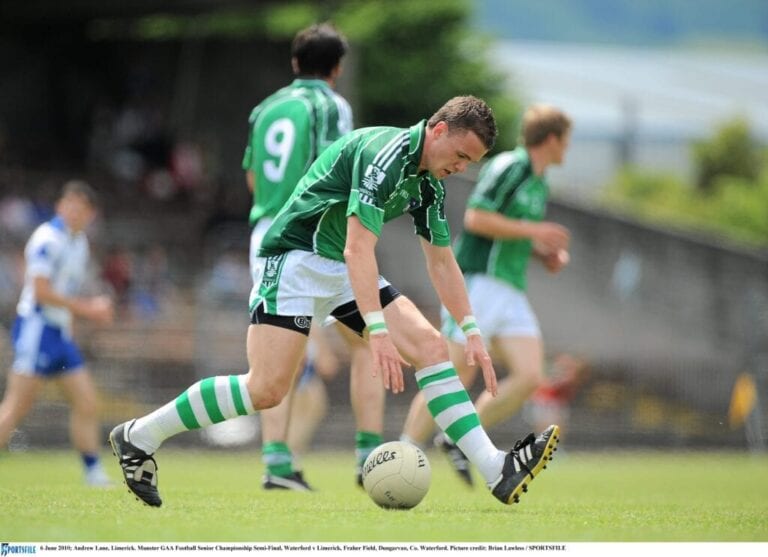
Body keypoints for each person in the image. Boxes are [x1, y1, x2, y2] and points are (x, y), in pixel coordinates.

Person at [109, 95, 560, 508]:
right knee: (265, 389)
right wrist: (378, 333)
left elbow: (442, 263)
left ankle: (496, 469)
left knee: (431, 347)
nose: (461, 167)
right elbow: (358, 248)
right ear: (438, 131)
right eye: (461, 155)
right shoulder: (384, 154)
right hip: (296, 261)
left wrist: (472, 331)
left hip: (341, 268)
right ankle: (138, 435)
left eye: (471, 162)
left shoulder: (429, 186)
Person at [241, 22, 383, 490]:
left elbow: (252, 179)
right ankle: (368, 456)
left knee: (279, 355)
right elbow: (334, 169)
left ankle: (277, 462)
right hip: (310, 235)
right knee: (370, 340)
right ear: (338, 69)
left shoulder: (266, 108)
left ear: (295, 62)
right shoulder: (330, 105)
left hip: (265, 233)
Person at [400, 104, 572, 486]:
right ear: (552, 139)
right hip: (480, 280)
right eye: (567, 141)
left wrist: (543, 252)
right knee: (453, 371)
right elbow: (477, 218)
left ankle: (458, 437)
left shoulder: (540, 181)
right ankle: (403, 453)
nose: (568, 149)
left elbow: (513, 231)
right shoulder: (512, 167)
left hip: (510, 287)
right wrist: (534, 232)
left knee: (530, 375)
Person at [0, 180, 115, 486]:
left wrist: (76, 320)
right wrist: (89, 309)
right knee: (15, 409)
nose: (74, 211)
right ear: (60, 207)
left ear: (91, 214)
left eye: (81, 207)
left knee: (87, 402)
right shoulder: (47, 239)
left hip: (59, 334)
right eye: (69, 204)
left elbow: (65, 292)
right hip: (37, 330)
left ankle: (93, 473)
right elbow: (40, 292)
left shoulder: (79, 243)